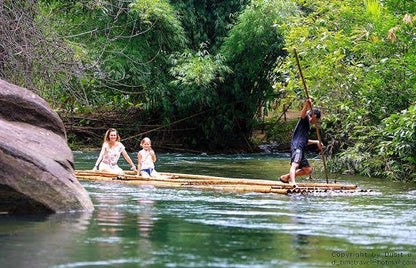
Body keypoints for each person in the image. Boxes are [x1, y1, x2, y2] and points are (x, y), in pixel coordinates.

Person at [280, 99, 323, 185]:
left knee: (308, 170)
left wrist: (316, 142)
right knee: (295, 165)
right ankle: (293, 182)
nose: (316, 122)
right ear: (313, 117)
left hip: (301, 148)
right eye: (316, 120)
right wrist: (306, 105)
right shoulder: (305, 120)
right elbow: (303, 115)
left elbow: (305, 141)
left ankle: (286, 177)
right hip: (297, 147)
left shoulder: (307, 127)